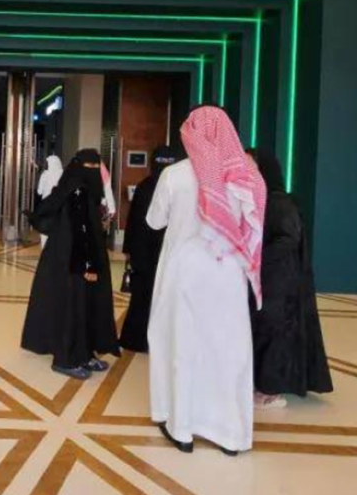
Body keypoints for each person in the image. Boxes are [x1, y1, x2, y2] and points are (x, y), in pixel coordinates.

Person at [146, 106, 266, 456]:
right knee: (228, 350)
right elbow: (253, 225)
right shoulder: (245, 176)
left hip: (183, 272)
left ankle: (181, 428)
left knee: (181, 347)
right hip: (227, 273)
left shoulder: (174, 175)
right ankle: (231, 435)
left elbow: (155, 221)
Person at [22, 149, 120, 379]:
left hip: (76, 258)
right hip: (73, 262)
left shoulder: (78, 187)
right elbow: (80, 230)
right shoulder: (76, 190)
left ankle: (84, 353)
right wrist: (88, 266)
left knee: (86, 307)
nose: (93, 172)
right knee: (72, 308)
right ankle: (65, 359)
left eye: (96, 167)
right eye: (90, 168)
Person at [247, 149, 333, 409]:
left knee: (274, 333)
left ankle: (269, 391)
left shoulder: (279, 203)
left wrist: (256, 258)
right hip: (268, 278)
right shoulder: (261, 200)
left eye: (251, 168)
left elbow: (287, 239)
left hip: (279, 281)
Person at [118, 147, 180, 352]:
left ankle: (136, 339)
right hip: (160, 253)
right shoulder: (175, 187)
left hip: (146, 252)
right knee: (154, 297)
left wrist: (129, 250)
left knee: (143, 297)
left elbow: (132, 222)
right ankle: (150, 340)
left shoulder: (146, 185)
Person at [35, 155, 64, 248]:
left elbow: (39, 192)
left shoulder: (45, 174)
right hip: (59, 205)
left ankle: (45, 247)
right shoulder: (63, 174)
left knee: (45, 227)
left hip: (46, 205)